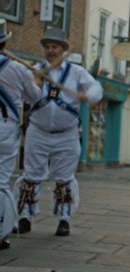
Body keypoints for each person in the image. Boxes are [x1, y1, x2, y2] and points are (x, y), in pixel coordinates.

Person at [14, 27, 103, 236]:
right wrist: (34, 82)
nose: (51, 50)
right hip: (38, 131)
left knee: (64, 178)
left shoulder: (76, 72)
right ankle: (25, 216)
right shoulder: (35, 70)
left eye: (55, 47)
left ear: (63, 50)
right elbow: (26, 97)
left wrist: (87, 95)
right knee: (31, 176)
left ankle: (64, 219)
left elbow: (96, 88)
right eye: (47, 47)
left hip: (66, 134)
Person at [0, 19, 41, 249]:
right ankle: (1, 232)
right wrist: (35, 79)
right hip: (5, 128)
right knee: (2, 181)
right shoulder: (17, 69)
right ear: (4, 43)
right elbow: (34, 97)